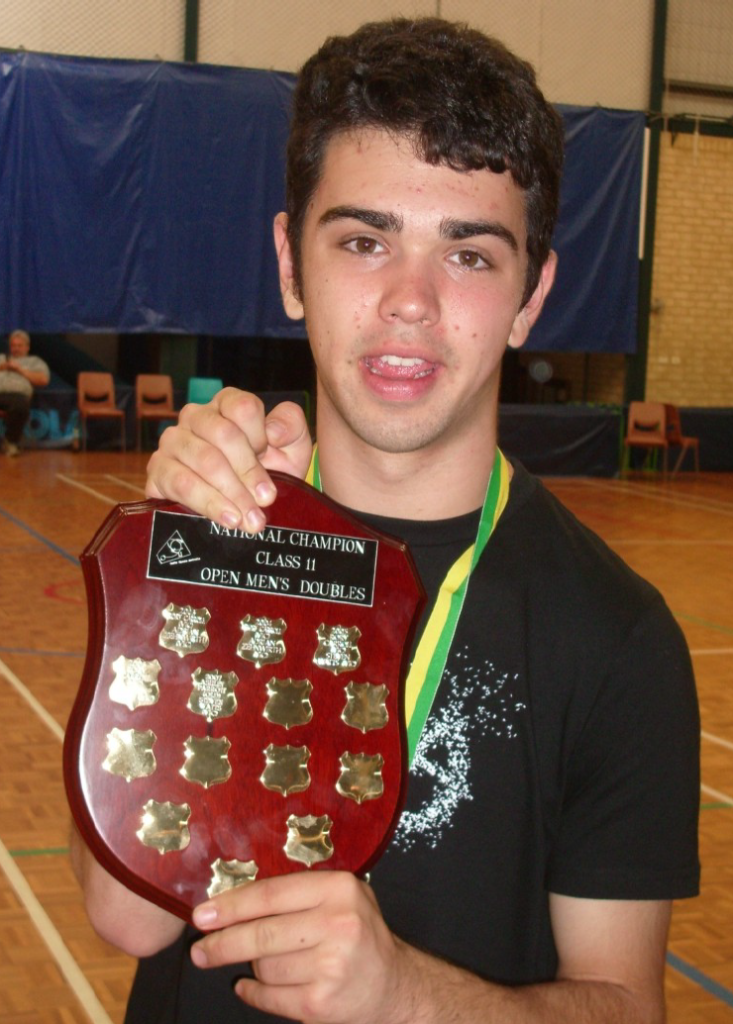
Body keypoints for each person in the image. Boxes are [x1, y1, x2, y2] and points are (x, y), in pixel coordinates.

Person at [71, 17, 699, 1024]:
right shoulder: (220, 529)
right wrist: (181, 567)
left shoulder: (616, 636)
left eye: (469, 255)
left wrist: (404, 995)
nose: (410, 300)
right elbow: (128, 918)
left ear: (531, 295)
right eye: (364, 242)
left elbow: (628, 1005)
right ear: (290, 264)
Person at [0, 330, 50, 456]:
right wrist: (3, 367)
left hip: (17, 396)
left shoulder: (34, 361)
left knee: (21, 406)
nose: (16, 348)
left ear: (27, 347)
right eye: (13, 345)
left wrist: (19, 370)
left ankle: (10, 442)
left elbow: (43, 380)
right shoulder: (2, 358)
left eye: (19, 345)